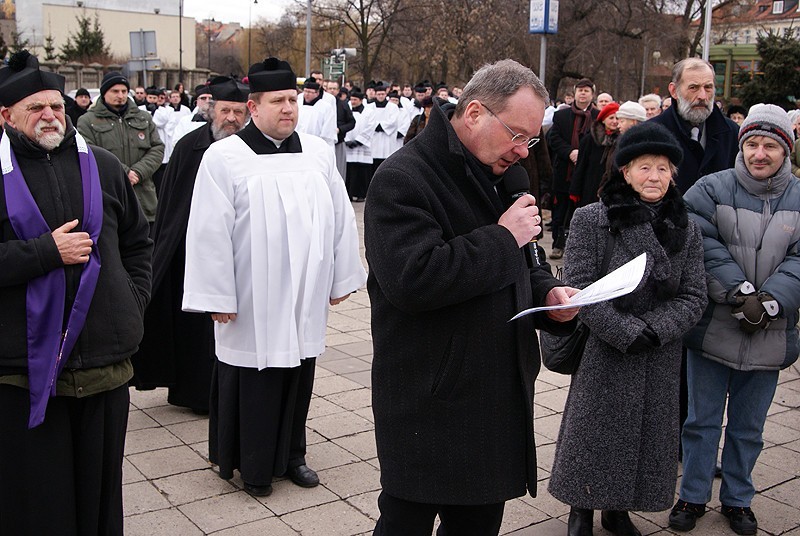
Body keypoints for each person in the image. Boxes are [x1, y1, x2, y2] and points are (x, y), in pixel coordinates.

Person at [365, 58, 580, 536]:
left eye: (532, 139)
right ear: (477, 112)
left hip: (497, 396)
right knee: (406, 522)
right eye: (517, 135)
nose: (524, 152)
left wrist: (550, 295)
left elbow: (524, 261)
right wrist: (503, 238)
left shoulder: (501, 175)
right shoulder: (403, 178)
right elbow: (412, 279)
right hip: (430, 396)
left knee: (478, 523)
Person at [182, 57, 367, 498]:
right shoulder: (224, 157)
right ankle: (253, 464)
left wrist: (342, 278)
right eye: (278, 101)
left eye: (292, 99)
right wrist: (216, 294)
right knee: (256, 377)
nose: (288, 108)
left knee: (300, 374)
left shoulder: (318, 153)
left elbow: (341, 217)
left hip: (303, 294)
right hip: (250, 298)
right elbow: (208, 230)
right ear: (253, 106)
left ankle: (293, 455)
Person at [0, 50, 152, 535]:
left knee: (100, 503)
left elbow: (137, 240)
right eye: (36, 109)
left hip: (105, 367)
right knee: (40, 507)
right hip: (22, 373)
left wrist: (132, 301)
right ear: (6, 116)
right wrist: (45, 252)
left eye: (57, 107)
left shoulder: (103, 166)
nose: (50, 116)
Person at [547, 121, 707, 536]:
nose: (654, 177)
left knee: (644, 439)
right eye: (643, 168)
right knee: (594, 433)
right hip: (607, 346)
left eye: (662, 168)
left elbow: (694, 296)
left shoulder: (686, 226)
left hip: (658, 350)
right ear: (625, 171)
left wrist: (652, 330)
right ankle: (580, 507)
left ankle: (618, 510)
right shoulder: (591, 219)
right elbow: (580, 288)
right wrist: (624, 331)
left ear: (673, 173)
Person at [671, 104, 800, 536]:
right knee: (700, 421)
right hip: (713, 327)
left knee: (750, 427)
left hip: (772, 333)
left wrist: (771, 302)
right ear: (741, 145)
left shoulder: (799, 197)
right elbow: (697, 240)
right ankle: (691, 495)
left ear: (786, 149)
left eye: (770, 145)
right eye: (751, 144)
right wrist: (740, 292)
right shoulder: (711, 188)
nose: (759, 154)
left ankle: (738, 500)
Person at [131, 77, 250, 413]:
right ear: (212, 111)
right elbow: (172, 204)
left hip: (238, 252)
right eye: (225, 110)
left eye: (238, 112)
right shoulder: (189, 146)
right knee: (195, 330)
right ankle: (193, 392)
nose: (231, 119)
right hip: (190, 253)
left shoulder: (252, 150)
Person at [78, 71, 164, 225]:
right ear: (104, 93)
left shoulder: (143, 118)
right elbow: (90, 153)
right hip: (108, 199)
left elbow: (157, 148)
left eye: (124, 91)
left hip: (143, 198)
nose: (121, 95)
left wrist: (138, 172)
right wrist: (124, 172)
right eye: (115, 91)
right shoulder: (87, 121)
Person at [651, 58, 739, 194]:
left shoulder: (732, 133)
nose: (702, 96)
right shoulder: (650, 134)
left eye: (708, 87)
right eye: (694, 88)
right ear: (674, 91)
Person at [547, 78, 599, 259]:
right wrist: (570, 152)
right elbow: (554, 139)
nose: (583, 93)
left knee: (582, 212)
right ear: (575, 93)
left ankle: (580, 247)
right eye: (580, 90)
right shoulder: (561, 115)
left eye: (587, 90)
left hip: (587, 175)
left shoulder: (598, 117)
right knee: (560, 211)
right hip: (564, 171)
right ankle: (557, 244)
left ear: (592, 95)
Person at [569, 101, 620, 209]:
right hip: (590, 187)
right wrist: (575, 190)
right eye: (611, 118)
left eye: (617, 118)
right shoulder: (590, 139)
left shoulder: (622, 140)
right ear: (603, 119)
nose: (615, 121)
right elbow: (581, 166)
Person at [345, 88, 376, 201]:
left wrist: (358, 141)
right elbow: (343, 123)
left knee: (361, 171)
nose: (352, 102)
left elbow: (370, 127)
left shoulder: (369, 112)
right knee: (349, 172)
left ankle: (361, 194)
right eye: (351, 99)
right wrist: (347, 139)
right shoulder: (347, 110)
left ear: (361, 100)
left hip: (362, 146)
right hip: (348, 144)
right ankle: (348, 193)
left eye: (355, 99)